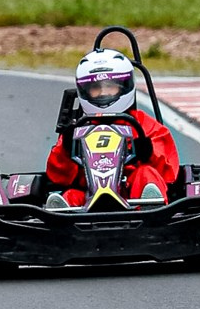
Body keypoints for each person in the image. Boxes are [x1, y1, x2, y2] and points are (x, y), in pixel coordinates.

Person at [44, 46, 179, 206]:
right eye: (96, 88)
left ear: (124, 86)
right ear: (84, 90)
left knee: (146, 173)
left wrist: (148, 153)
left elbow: (169, 173)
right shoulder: (78, 129)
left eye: (109, 86)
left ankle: (150, 206)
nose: (103, 93)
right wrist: (66, 150)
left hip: (133, 195)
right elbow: (58, 178)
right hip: (90, 198)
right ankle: (62, 213)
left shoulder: (144, 125)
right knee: (71, 195)